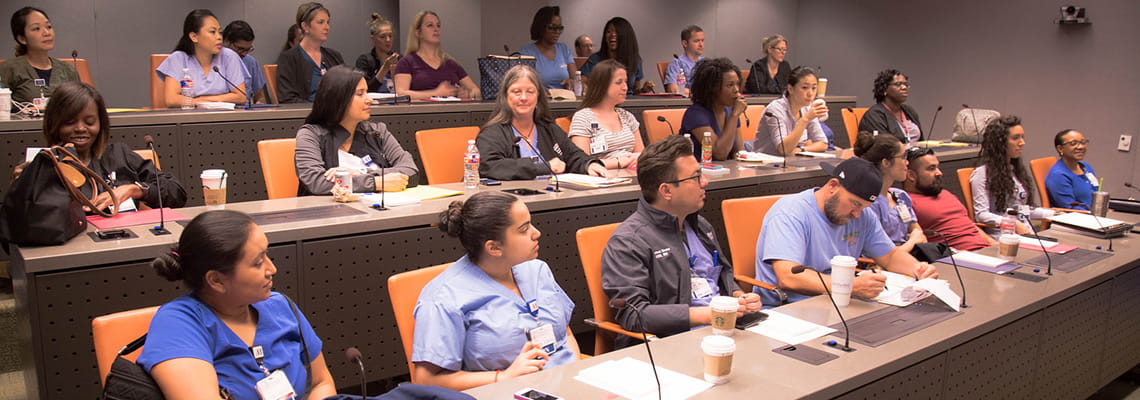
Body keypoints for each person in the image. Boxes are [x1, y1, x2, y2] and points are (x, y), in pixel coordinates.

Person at [137, 210, 337, 400]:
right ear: (216, 280)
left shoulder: (280, 306)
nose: (272, 269)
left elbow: (320, 383)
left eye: (267, 254)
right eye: (258, 263)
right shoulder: (178, 324)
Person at [602, 135, 763, 348]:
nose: (705, 182)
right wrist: (706, 315)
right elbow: (635, 315)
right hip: (672, 343)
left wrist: (738, 297)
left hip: (724, 330)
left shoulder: (700, 225)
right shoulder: (628, 242)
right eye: (696, 177)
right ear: (666, 190)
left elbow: (721, 274)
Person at [412, 191, 580, 390]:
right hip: (505, 392)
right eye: (524, 229)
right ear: (493, 248)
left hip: (568, 384)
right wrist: (503, 377)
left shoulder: (536, 269)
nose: (536, 233)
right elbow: (427, 381)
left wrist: (575, 374)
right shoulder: (443, 298)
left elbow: (564, 333)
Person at [754, 157, 939, 305]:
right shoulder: (791, 213)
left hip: (838, 301)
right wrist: (848, 287)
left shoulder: (862, 215)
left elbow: (889, 257)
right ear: (833, 186)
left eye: (864, 207)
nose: (857, 214)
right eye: (855, 204)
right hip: (791, 307)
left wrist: (918, 269)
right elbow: (789, 277)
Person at [12, 81, 187, 211]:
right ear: (54, 124)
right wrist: (20, 189)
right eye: (70, 122)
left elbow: (177, 194)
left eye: (89, 122)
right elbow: (15, 233)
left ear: (101, 124)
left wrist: (136, 190)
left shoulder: (119, 155)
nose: (81, 129)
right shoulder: (39, 165)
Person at [294, 66, 417, 195]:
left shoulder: (377, 131)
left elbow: (411, 170)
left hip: (375, 210)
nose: (369, 100)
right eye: (360, 94)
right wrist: (377, 182)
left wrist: (362, 173)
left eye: (367, 92)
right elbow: (317, 183)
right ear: (338, 99)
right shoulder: (310, 134)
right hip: (326, 212)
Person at [476, 65, 605, 180]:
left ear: (538, 97)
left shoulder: (549, 129)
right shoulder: (491, 133)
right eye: (516, 92)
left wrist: (589, 164)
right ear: (505, 97)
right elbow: (489, 166)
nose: (524, 98)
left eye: (530, 92)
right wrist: (544, 167)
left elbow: (573, 155)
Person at [970, 115, 1053, 236]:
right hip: (1005, 237)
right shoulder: (982, 174)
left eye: (1022, 137)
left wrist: (1053, 214)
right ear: (1000, 142)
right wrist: (1012, 223)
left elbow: (1020, 210)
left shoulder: (1014, 170)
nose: (1022, 143)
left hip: (1027, 234)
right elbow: (981, 215)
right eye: (1015, 138)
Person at [903, 147, 997, 251]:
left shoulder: (946, 194)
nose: (939, 173)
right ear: (911, 175)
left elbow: (970, 226)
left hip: (985, 251)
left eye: (938, 167)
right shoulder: (905, 202)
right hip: (956, 258)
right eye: (931, 168)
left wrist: (995, 246)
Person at [155, 9, 249, 108]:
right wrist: (219, 99)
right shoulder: (178, 59)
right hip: (188, 120)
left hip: (223, 118)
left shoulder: (229, 56)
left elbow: (240, 96)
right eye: (212, 32)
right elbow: (172, 100)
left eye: (219, 32)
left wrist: (199, 101)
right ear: (194, 36)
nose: (219, 37)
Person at [853, 131, 926, 254]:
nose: (907, 162)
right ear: (886, 162)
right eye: (903, 157)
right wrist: (912, 242)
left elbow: (919, 233)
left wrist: (915, 239)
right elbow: (882, 256)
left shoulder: (900, 196)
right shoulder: (867, 205)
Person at [568, 60, 643, 169]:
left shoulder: (627, 116)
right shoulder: (583, 117)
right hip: (602, 177)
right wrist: (619, 162)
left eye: (625, 82)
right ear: (602, 85)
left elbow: (641, 155)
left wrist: (634, 160)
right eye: (619, 82)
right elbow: (582, 162)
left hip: (632, 173)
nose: (625, 87)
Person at [0, 7, 79, 106]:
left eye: (49, 27)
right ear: (22, 38)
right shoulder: (7, 70)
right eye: (36, 29)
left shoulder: (68, 70)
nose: (47, 33)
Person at [393, 11, 480, 100]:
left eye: (438, 25)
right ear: (418, 33)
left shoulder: (451, 63)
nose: (436, 29)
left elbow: (475, 90)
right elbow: (401, 94)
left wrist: (468, 94)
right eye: (430, 25)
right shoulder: (407, 62)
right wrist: (436, 93)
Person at [275, 2, 344, 103]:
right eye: (320, 22)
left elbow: (347, 89)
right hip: (307, 115)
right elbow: (287, 98)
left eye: (327, 22)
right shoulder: (289, 58)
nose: (327, 27)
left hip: (336, 114)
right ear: (305, 26)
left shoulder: (334, 56)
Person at [679, 58, 747, 161]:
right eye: (730, 85)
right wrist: (734, 115)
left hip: (726, 172)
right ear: (713, 88)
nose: (736, 90)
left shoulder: (731, 111)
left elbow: (739, 152)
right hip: (699, 172)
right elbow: (719, 154)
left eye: (737, 84)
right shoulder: (695, 114)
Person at [752, 66, 828, 156]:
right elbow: (784, 149)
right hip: (766, 164)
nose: (810, 93)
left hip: (794, 162)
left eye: (814, 88)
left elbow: (823, 144)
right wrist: (805, 119)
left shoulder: (807, 108)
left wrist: (801, 150)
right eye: (804, 87)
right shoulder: (775, 109)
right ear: (790, 89)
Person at [579, 17, 654, 94]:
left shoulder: (635, 60)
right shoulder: (595, 60)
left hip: (628, 103)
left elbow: (635, 90)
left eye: (617, 32)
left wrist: (644, 90)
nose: (612, 35)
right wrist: (584, 87)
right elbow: (582, 82)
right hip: (602, 102)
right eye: (609, 32)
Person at [517, 6, 576, 90]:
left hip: (566, 99)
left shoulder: (564, 49)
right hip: (541, 100)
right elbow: (523, 83)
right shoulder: (526, 53)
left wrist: (572, 81)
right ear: (541, 27)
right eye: (552, 27)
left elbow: (575, 77)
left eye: (560, 28)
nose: (557, 32)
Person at [859, 69, 922, 145]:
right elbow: (882, 146)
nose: (904, 87)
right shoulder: (874, 116)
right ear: (884, 89)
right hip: (892, 156)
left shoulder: (909, 111)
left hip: (915, 154)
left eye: (906, 84)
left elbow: (921, 142)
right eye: (898, 84)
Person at [1045, 129, 1099, 210]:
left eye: (1083, 142)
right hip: (1076, 218)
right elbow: (1070, 208)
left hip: (1094, 214)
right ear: (1060, 149)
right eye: (1073, 143)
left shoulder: (1086, 167)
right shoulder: (1058, 175)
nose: (1081, 147)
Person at [222, 20, 267, 104]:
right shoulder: (215, 64)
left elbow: (260, 96)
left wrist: (259, 103)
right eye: (240, 49)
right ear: (226, 41)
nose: (244, 54)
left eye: (248, 49)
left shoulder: (250, 62)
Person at [355, 13, 400, 93]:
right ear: (373, 38)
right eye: (383, 37)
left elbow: (405, 89)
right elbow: (366, 90)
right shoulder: (365, 61)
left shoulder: (399, 59)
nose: (388, 40)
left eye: (390, 36)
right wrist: (385, 68)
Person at [663, 25, 704, 95]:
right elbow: (673, 90)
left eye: (702, 40)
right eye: (696, 41)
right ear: (685, 43)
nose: (701, 44)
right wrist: (695, 92)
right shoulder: (677, 63)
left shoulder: (706, 63)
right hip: (691, 103)